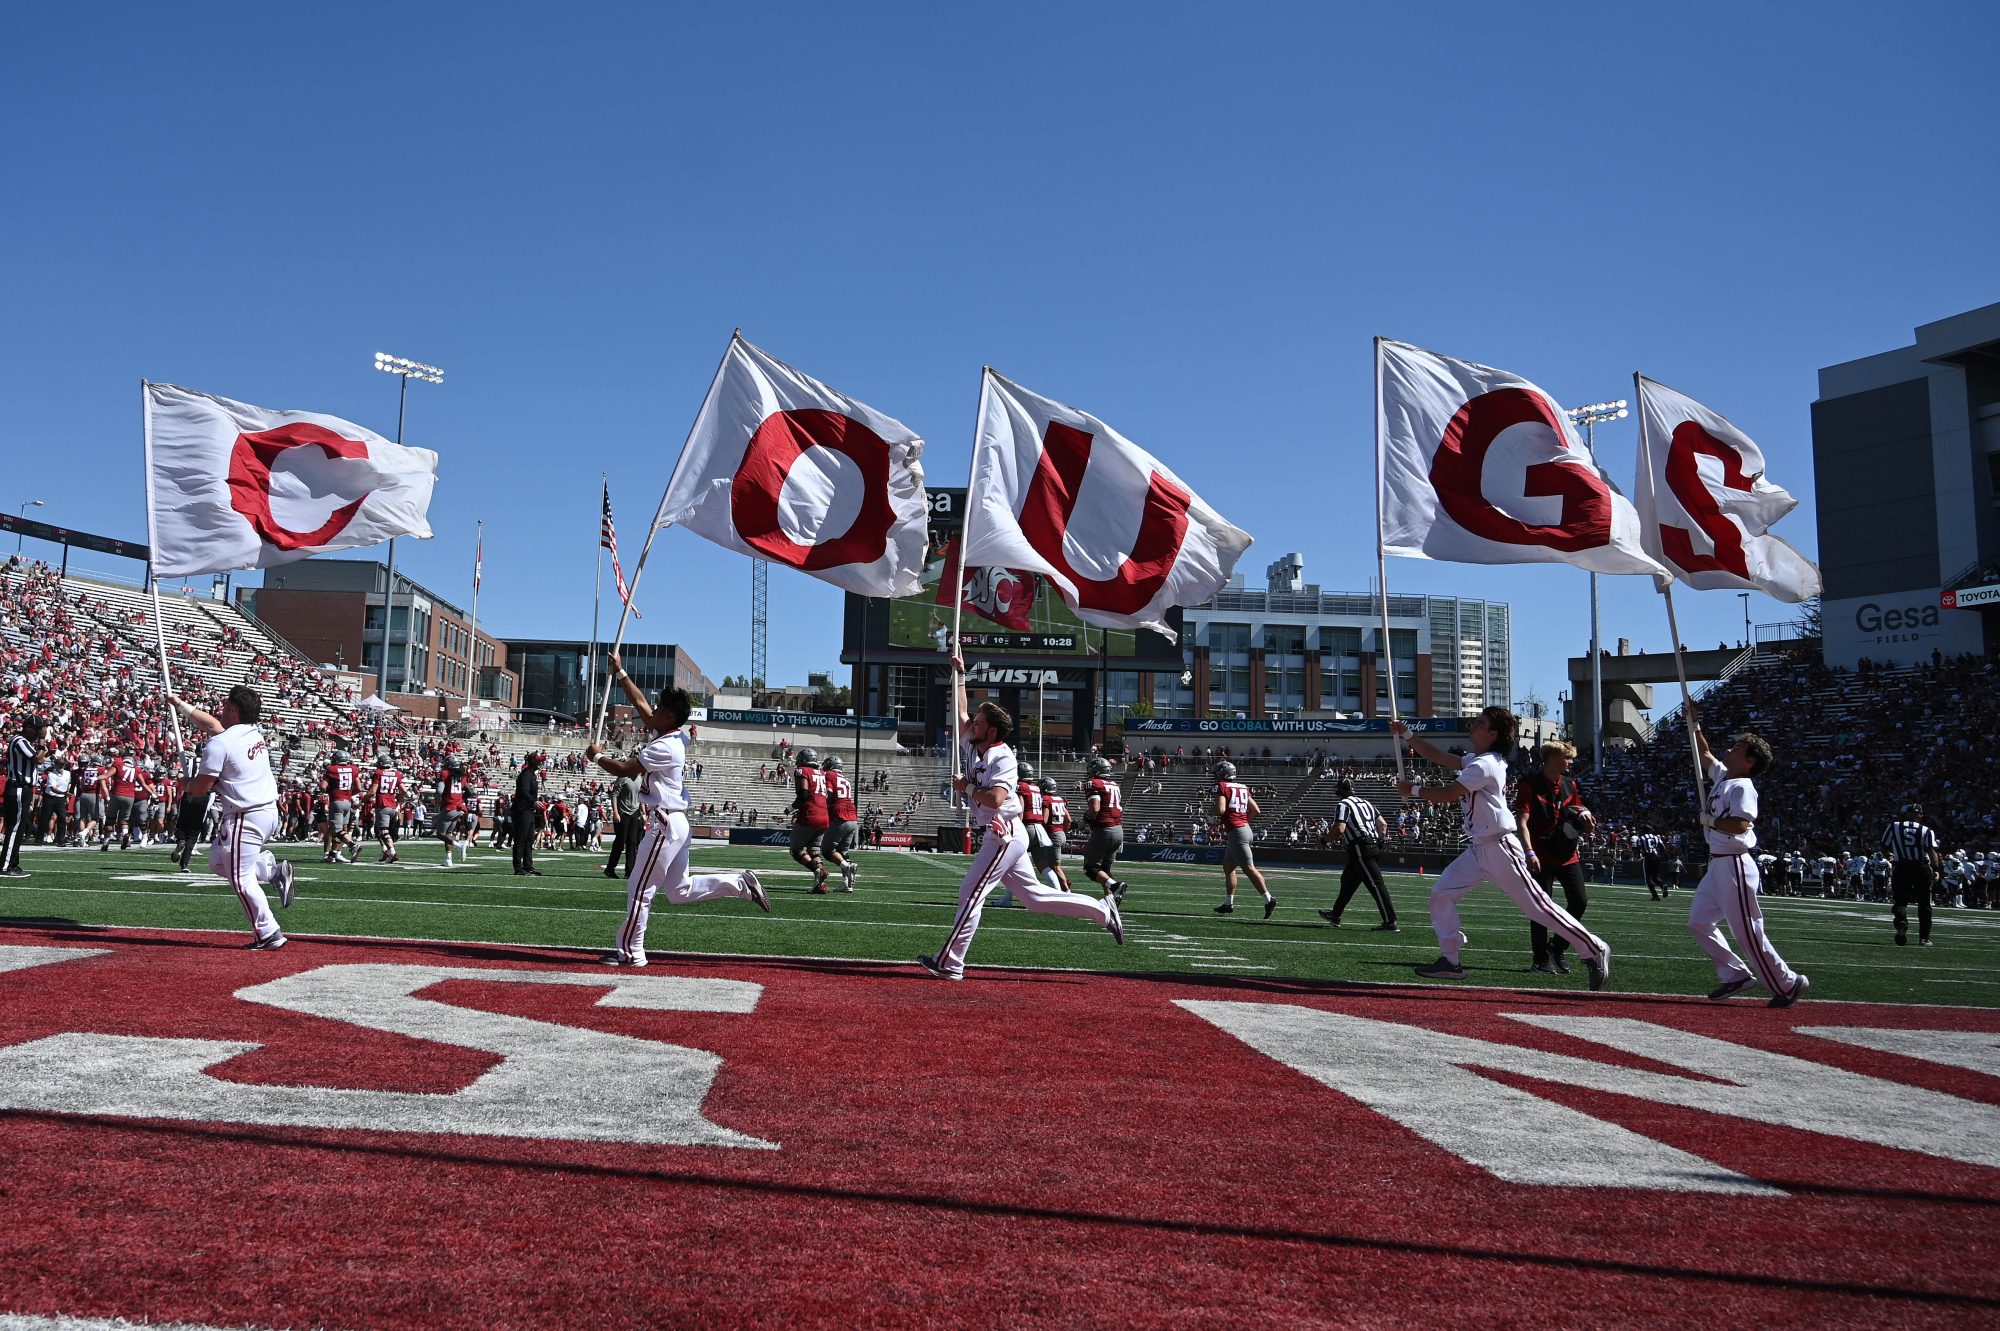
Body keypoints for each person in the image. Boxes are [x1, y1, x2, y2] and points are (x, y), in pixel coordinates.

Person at [917, 655, 1123, 980]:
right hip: (1004, 832)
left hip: (1005, 832)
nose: (972, 725)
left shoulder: (1003, 757)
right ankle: (1102, 911)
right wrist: (959, 674)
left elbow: (996, 798)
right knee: (1036, 898)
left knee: (971, 893)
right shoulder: (974, 745)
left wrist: (966, 787)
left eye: (979, 723)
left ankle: (951, 962)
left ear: (992, 730)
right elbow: (959, 713)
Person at [1393, 709, 1610, 989]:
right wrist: (1407, 733)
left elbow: (1448, 794)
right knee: (1441, 894)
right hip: (1479, 848)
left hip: (1500, 848)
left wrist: (1412, 791)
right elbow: (1438, 756)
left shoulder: (1486, 765)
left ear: (1493, 734)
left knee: (1539, 908)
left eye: (1481, 724)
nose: (1474, 726)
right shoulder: (1477, 761)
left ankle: (1594, 949)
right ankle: (1450, 961)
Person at [588, 656, 769, 967]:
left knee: (640, 888)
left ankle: (631, 952)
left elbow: (623, 770)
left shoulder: (664, 746)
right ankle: (740, 884)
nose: (651, 712)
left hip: (665, 823)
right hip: (676, 821)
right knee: (679, 890)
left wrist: (597, 757)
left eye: (659, 710)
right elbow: (642, 703)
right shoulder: (673, 735)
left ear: (669, 715)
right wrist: (620, 672)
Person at [1685, 700, 1808, 1006]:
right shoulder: (1726, 776)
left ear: (1750, 760)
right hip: (1718, 865)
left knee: (1747, 933)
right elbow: (1704, 755)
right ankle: (1735, 974)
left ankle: (1788, 983)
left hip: (1734, 865)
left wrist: (1710, 820)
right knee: (1699, 922)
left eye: (1739, 748)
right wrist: (1695, 724)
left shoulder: (1743, 786)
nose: (1732, 748)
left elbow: (1740, 824)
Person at [168, 686, 296, 950]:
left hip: (245, 816)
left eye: (226, 706)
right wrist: (180, 705)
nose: (221, 711)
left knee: (240, 878)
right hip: (266, 811)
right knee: (218, 863)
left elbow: (202, 787)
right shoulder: (251, 733)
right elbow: (212, 725)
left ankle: (268, 931)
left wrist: (186, 784)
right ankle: (271, 870)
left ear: (234, 710)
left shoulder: (221, 743)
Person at [1515, 740, 1595, 975]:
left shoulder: (1571, 784)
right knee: (1541, 907)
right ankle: (1540, 960)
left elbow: (1579, 814)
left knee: (1580, 900)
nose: (1571, 762)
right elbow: (1522, 822)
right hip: (1539, 854)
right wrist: (1528, 851)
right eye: (1567, 758)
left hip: (1567, 853)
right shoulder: (1529, 784)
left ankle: (1557, 946)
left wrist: (1588, 825)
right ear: (1552, 758)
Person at [1319, 777, 1397, 931]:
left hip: (1360, 848)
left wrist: (1323, 840)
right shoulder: (1367, 803)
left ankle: (1390, 922)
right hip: (1370, 846)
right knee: (1347, 880)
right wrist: (1379, 841)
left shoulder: (1343, 804)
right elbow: (1383, 824)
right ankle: (1335, 914)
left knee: (1376, 884)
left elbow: (1339, 829)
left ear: (1340, 791)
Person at [1210, 760, 1276, 918]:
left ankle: (1269, 899)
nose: (1214, 775)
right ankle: (1228, 903)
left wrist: (1210, 812)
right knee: (1228, 866)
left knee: (1248, 868)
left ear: (1223, 773)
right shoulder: (1243, 787)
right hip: (1243, 829)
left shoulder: (1221, 786)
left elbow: (1220, 809)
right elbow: (1256, 810)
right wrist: (1243, 822)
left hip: (1237, 832)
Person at [1881, 802, 1942, 947]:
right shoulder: (1926, 830)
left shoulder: (1894, 826)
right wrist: (1937, 870)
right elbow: (1932, 851)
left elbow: (1883, 845)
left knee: (1900, 900)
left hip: (1902, 866)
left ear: (1907, 814)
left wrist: (1888, 855)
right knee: (1924, 904)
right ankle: (1924, 938)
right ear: (1920, 815)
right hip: (1921, 867)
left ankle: (1902, 921)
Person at [1081, 754, 1129, 904]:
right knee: (1105, 868)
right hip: (1118, 829)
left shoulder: (1094, 783)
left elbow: (1095, 808)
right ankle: (1111, 899)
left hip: (1104, 829)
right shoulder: (1114, 785)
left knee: (1090, 868)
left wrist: (1085, 820)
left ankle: (1114, 886)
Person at [2, 713, 45, 876]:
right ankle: (6, 866)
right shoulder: (19, 741)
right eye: (37, 730)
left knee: (18, 829)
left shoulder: (23, 741)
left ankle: (12, 863)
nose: (39, 733)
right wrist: (42, 740)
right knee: (14, 829)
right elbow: (39, 759)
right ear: (29, 728)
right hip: (19, 787)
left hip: (23, 789)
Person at [789, 747, 831, 892]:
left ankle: (817, 871)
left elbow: (803, 794)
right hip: (824, 815)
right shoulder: (822, 773)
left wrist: (790, 808)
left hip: (810, 814)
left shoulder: (802, 770)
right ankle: (819, 882)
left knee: (796, 850)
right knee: (814, 850)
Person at [169, 745, 213, 873]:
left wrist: (188, 788)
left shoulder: (189, 762)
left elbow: (180, 776)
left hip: (188, 795)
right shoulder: (211, 763)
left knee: (181, 825)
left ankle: (181, 840)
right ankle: (184, 864)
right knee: (194, 833)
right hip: (203, 797)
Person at [822, 755, 860, 893]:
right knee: (843, 852)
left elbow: (829, 794)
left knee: (827, 851)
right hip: (852, 817)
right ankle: (847, 884)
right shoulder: (846, 779)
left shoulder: (829, 775)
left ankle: (847, 867)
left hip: (839, 815)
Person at [322, 747, 360, 864]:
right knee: (342, 828)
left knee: (337, 829)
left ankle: (352, 845)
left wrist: (332, 791)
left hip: (337, 801)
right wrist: (348, 793)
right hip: (348, 802)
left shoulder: (332, 769)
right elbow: (358, 788)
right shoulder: (353, 769)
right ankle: (333, 854)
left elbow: (323, 787)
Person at [602, 771, 643, 879]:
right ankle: (610, 869)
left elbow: (641, 795)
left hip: (634, 813)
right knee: (620, 842)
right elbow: (614, 795)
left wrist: (643, 812)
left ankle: (630, 872)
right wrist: (615, 813)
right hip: (622, 813)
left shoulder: (640, 779)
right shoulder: (623, 777)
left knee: (633, 843)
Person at [1040, 775, 1074, 893]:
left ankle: (1066, 890)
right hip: (1061, 834)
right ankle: (1061, 885)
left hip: (1053, 835)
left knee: (1054, 866)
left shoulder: (1046, 800)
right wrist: (1062, 831)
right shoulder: (1059, 799)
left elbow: (1044, 819)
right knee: (1052, 864)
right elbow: (1068, 819)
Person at [436, 756, 472, 867]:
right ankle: (448, 859)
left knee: (440, 834)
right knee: (448, 834)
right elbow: (471, 791)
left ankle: (458, 845)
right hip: (459, 808)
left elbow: (439, 791)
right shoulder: (463, 775)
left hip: (449, 807)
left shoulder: (445, 773)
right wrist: (461, 798)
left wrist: (440, 797)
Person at [511, 751, 542, 877]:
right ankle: (518, 867)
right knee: (521, 839)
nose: (540, 762)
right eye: (538, 761)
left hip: (529, 810)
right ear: (533, 761)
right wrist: (533, 802)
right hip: (522, 810)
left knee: (529, 839)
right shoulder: (525, 775)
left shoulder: (532, 776)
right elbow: (523, 791)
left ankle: (528, 866)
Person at [370, 753, 406, 864]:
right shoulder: (397, 774)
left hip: (383, 805)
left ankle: (393, 852)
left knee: (384, 832)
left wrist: (363, 800)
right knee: (380, 831)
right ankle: (386, 851)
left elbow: (373, 791)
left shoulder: (378, 773)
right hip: (392, 805)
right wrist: (399, 800)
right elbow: (404, 791)